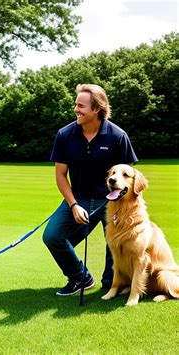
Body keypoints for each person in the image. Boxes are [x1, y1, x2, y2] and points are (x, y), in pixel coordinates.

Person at [43, 84, 137, 296]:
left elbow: (128, 175)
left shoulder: (118, 136)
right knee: (52, 236)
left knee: (115, 243)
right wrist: (73, 204)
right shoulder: (65, 134)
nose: (76, 109)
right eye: (76, 104)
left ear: (97, 109)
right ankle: (80, 278)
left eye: (81, 105)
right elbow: (60, 175)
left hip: (111, 201)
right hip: (79, 199)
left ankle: (113, 284)